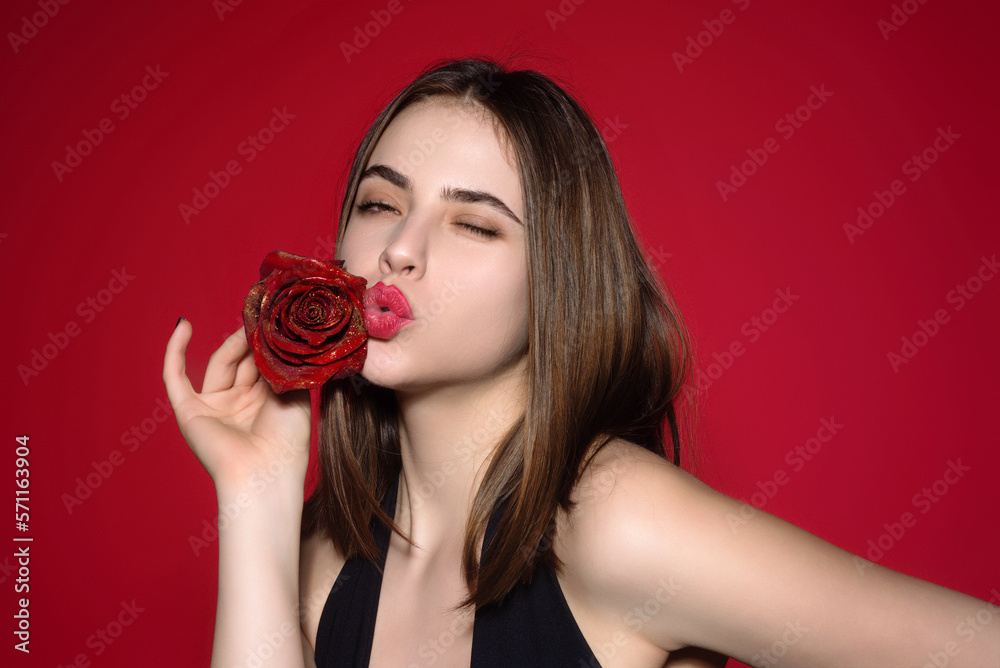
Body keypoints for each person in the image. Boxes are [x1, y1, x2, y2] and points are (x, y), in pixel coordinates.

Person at [162, 56, 999, 667]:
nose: (401, 250)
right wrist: (255, 494)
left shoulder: (616, 522)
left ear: (555, 283)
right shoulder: (324, 556)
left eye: (475, 223)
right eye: (381, 203)